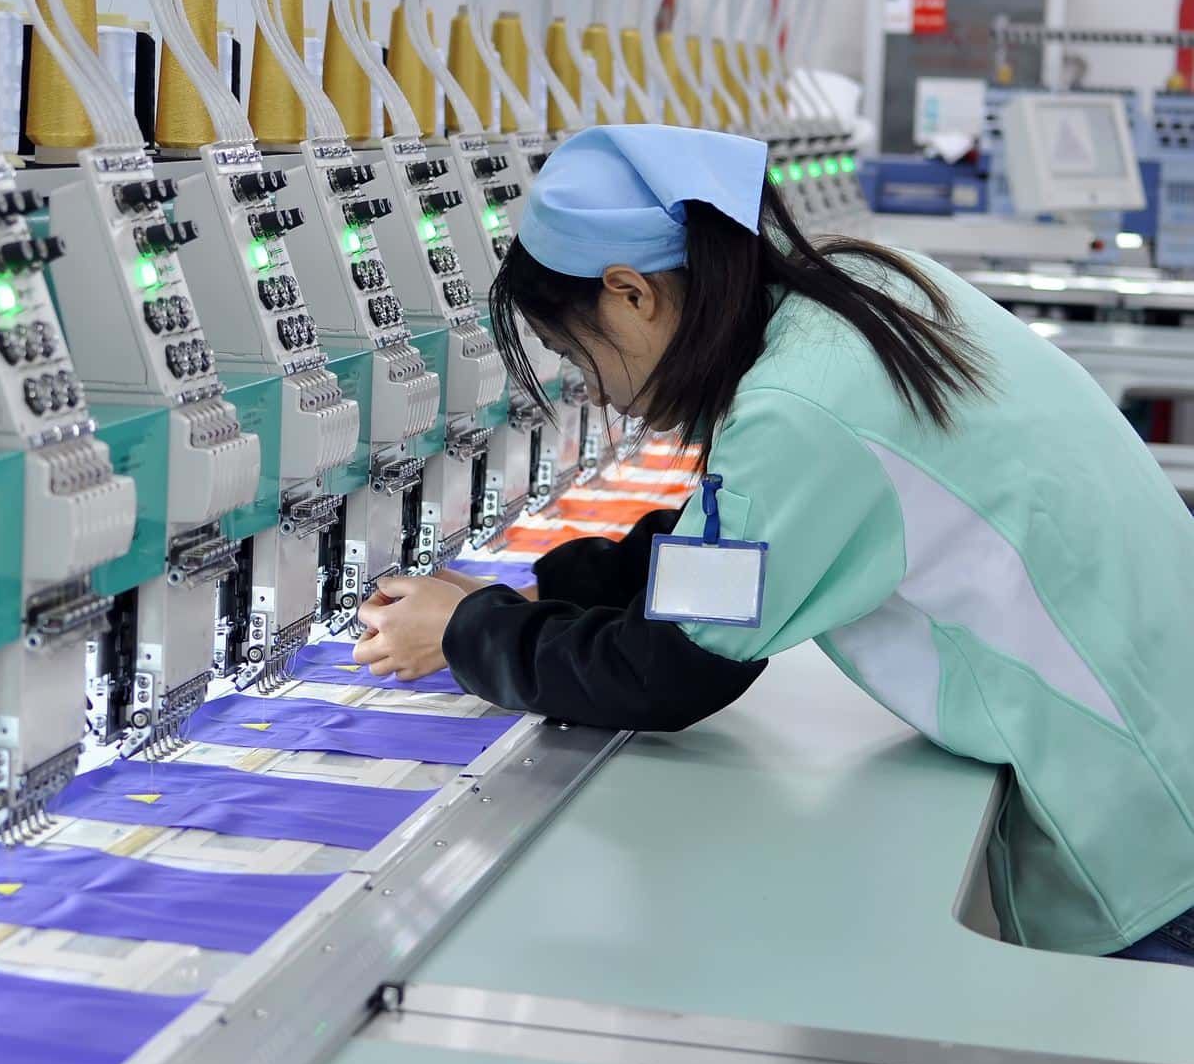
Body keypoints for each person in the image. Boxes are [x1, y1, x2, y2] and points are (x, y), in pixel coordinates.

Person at [351, 124, 1194, 965]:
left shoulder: (798, 406)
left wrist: (466, 636)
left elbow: (667, 670)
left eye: (576, 353)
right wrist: (540, 595)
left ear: (629, 292)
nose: (597, 392)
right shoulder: (857, 286)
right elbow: (740, 535)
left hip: (1146, 830)